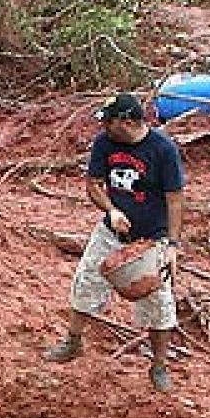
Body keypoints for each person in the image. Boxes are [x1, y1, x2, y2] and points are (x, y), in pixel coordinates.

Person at [44, 92, 186, 393]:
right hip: (112, 233)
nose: (103, 128)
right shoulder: (104, 143)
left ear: (127, 122)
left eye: (108, 122)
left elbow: (175, 200)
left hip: (151, 239)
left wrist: (172, 245)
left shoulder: (163, 150)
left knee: (158, 300)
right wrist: (111, 211)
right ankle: (73, 341)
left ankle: (159, 366)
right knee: (86, 281)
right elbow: (93, 185)